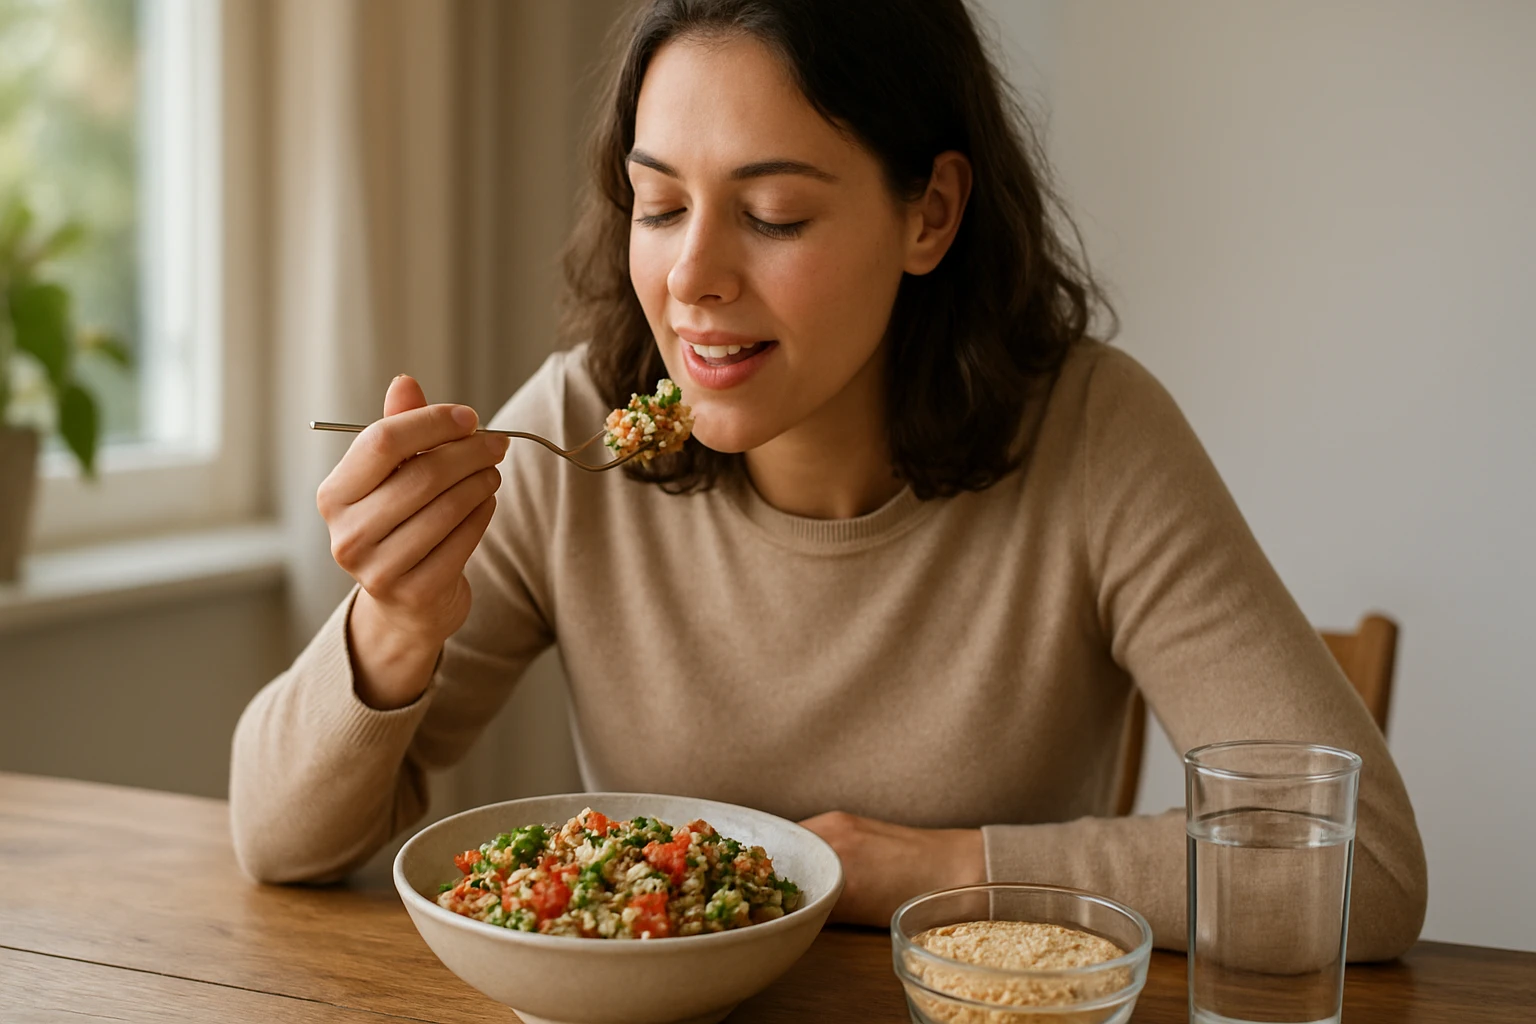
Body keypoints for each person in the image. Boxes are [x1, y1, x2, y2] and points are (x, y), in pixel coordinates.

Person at [231, 0, 1427, 957]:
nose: (691, 276)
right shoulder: (577, 430)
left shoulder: (1094, 437)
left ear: (932, 214)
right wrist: (392, 621)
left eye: (773, 214)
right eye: (657, 204)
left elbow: (1357, 869)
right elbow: (276, 842)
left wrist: (914, 867)